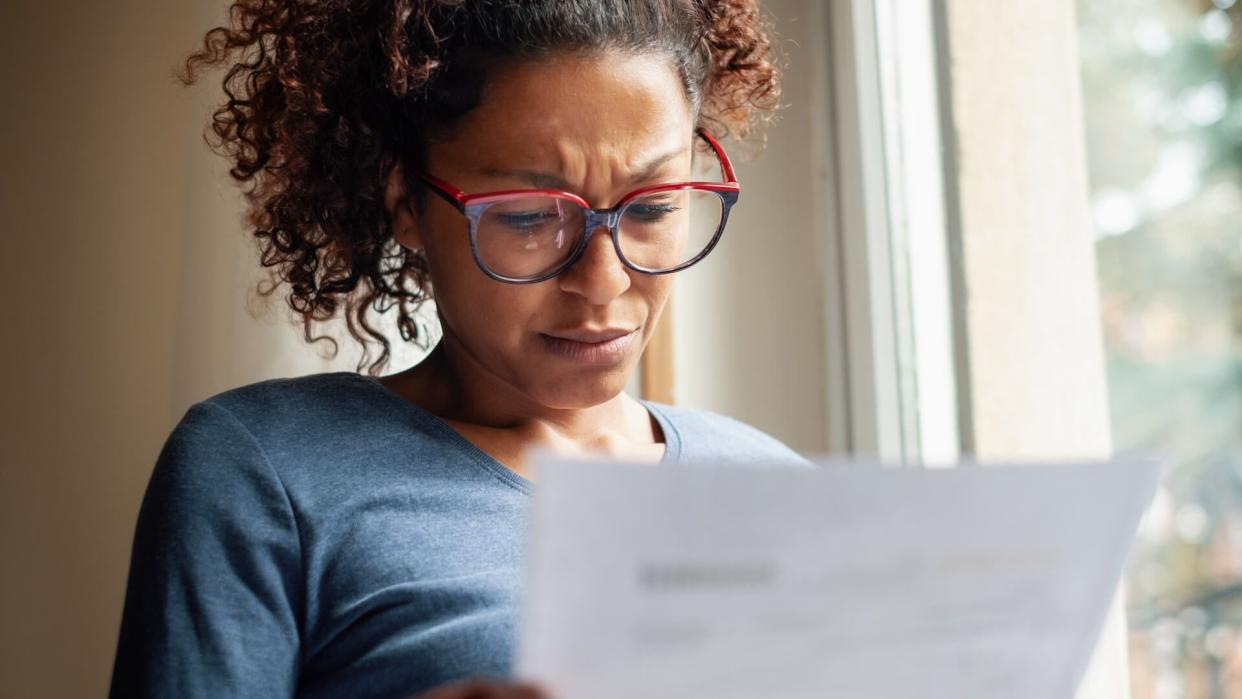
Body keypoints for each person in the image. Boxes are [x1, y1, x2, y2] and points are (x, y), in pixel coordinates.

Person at [109, 1, 807, 697]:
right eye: (531, 216)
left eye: (653, 207)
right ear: (407, 203)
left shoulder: (781, 490)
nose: (604, 281)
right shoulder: (265, 472)